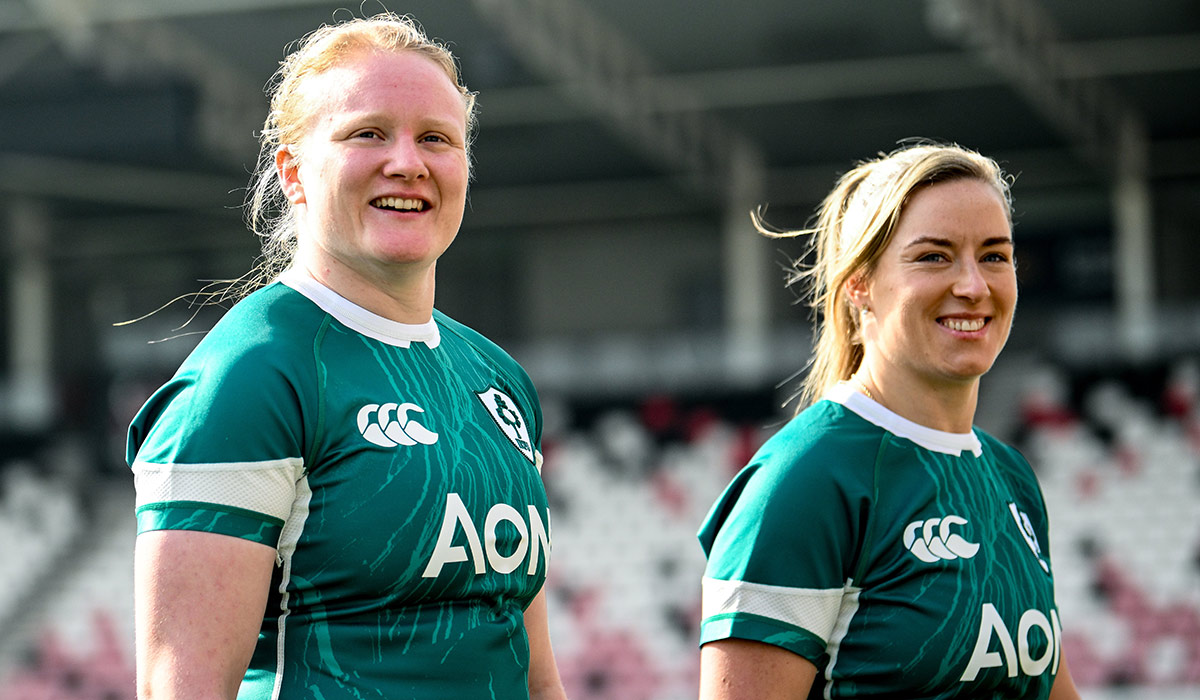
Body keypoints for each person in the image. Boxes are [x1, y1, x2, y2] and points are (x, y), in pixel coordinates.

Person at [126, 13, 566, 700]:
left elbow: (535, 676)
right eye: (368, 133)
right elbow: (181, 688)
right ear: (293, 172)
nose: (408, 163)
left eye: (436, 138)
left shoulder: (498, 377)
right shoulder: (252, 376)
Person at [696, 143, 1081, 699]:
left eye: (995, 256)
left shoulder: (1011, 476)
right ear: (859, 283)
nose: (973, 286)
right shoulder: (807, 478)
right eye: (934, 257)